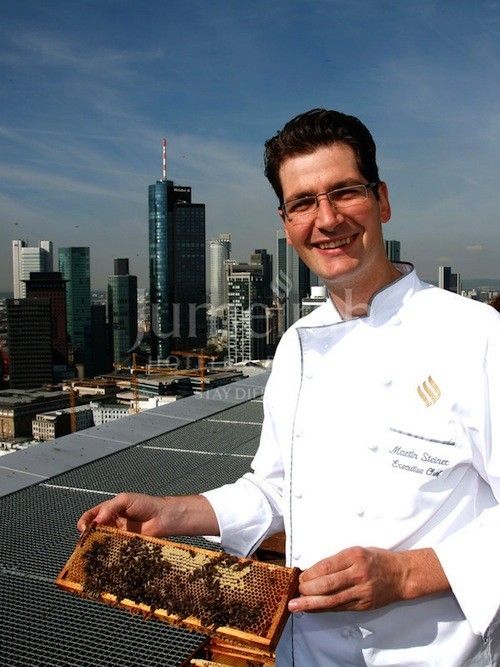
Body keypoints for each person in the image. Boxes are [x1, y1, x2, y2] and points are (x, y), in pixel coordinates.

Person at [78, 109, 500, 666]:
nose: (326, 219)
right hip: (310, 653)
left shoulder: (475, 335)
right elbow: (278, 490)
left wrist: (407, 573)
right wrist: (172, 513)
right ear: (286, 223)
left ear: (383, 200)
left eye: (344, 192)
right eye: (303, 203)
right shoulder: (297, 344)